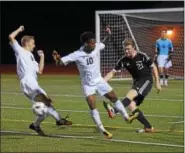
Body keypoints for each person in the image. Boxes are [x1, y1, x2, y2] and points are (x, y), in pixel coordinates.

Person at [52, 27, 138, 139]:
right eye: (91, 43)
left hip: (99, 80)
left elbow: (103, 43)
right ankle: (102, 129)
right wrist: (57, 59)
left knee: (114, 97)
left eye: (94, 42)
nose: (94, 45)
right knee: (93, 106)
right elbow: (61, 63)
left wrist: (109, 34)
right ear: (85, 44)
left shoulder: (96, 46)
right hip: (88, 85)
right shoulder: (77, 54)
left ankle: (127, 117)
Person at [9, 26, 72, 136]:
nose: (34, 45)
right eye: (33, 43)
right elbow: (11, 36)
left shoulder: (32, 57)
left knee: (44, 109)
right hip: (28, 83)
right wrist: (19, 30)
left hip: (33, 83)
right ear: (27, 43)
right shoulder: (20, 51)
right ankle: (59, 120)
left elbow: (40, 71)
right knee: (46, 102)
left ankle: (35, 125)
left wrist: (42, 57)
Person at [103, 38, 161, 133]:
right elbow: (112, 73)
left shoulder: (142, 56)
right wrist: (101, 82)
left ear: (134, 48)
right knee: (131, 105)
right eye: (125, 49)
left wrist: (157, 82)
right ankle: (149, 127)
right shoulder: (123, 60)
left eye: (128, 49)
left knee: (129, 95)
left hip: (146, 81)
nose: (126, 51)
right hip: (137, 82)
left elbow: (153, 66)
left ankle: (114, 110)